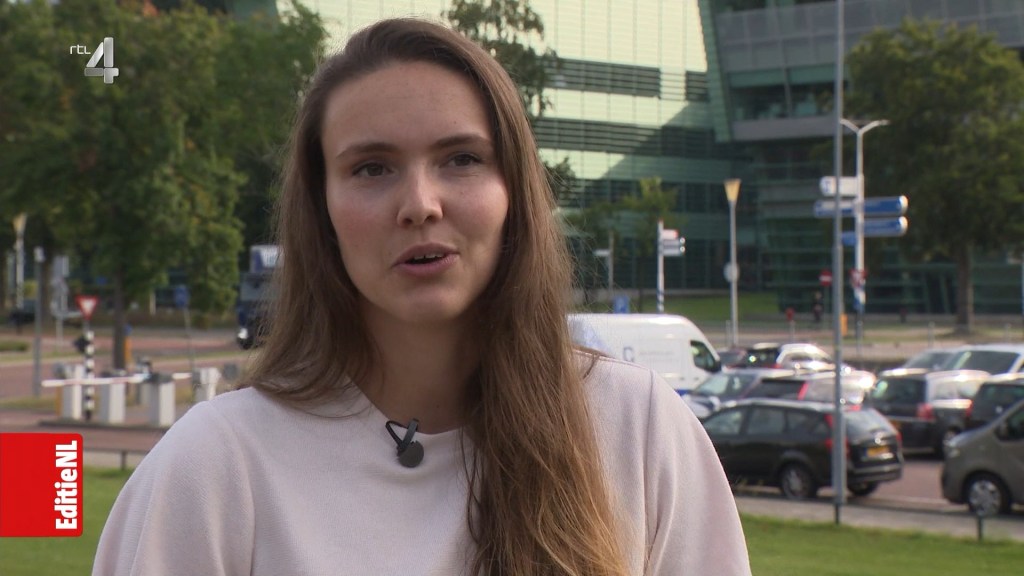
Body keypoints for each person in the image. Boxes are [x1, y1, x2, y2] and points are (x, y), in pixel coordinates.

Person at [93, 18, 750, 576]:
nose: (420, 204)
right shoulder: (218, 464)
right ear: (322, 212)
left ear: (514, 191)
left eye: (461, 158)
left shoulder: (638, 430)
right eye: (372, 168)